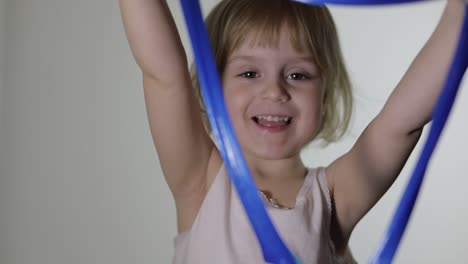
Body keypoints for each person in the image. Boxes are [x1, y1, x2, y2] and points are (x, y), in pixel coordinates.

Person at [119, 0, 466, 263]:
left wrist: (459, 15)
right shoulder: (201, 178)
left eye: (298, 75)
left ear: (326, 94)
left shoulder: (332, 197)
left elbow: (400, 123)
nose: (274, 91)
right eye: (249, 73)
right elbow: (163, 75)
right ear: (213, 86)